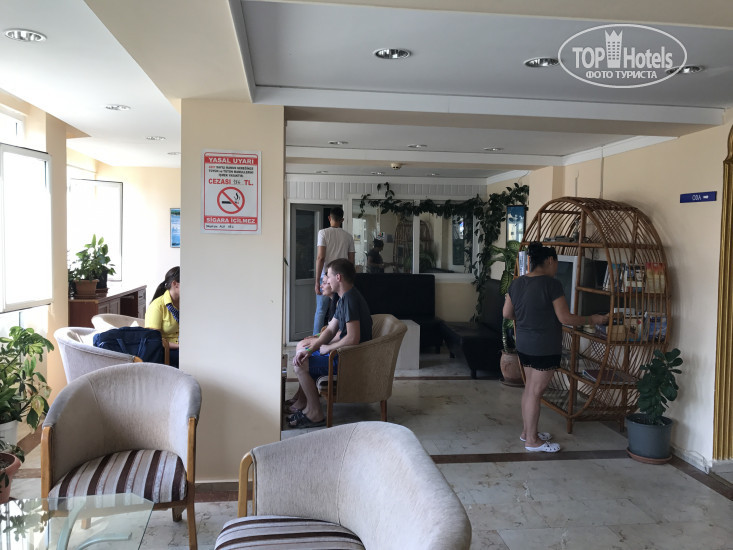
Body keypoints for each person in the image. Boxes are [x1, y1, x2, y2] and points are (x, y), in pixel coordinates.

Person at [503, 243, 608, 453]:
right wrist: (593, 319)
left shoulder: (517, 283)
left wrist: (526, 319)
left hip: (524, 344)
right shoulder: (552, 284)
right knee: (535, 392)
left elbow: (507, 313)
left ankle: (527, 432)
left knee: (530, 389)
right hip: (544, 346)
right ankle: (532, 440)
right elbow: (565, 318)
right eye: (556, 263)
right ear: (550, 261)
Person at [289, 258, 372, 428]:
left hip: (349, 360)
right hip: (343, 355)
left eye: (328, 275)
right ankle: (309, 408)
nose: (326, 279)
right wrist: (310, 350)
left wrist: (328, 348)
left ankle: (315, 414)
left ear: (338, 277)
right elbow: (330, 330)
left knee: (300, 366)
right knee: (303, 357)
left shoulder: (350, 299)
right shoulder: (344, 298)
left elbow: (353, 338)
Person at [284, 276, 340, 414]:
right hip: (333, 348)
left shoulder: (343, 302)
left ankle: (306, 402)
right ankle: (301, 396)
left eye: (325, 282)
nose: (321, 285)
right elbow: (330, 329)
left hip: (338, 354)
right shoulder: (335, 303)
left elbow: (342, 334)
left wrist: (320, 342)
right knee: (302, 348)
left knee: (302, 357)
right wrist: (317, 337)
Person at [313, 207, 355, 335]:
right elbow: (351, 261)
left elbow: (320, 258)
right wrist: (350, 281)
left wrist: (317, 281)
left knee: (321, 311)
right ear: (342, 220)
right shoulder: (348, 237)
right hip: (342, 279)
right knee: (341, 309)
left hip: (326, 277)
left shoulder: (323, 233)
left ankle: (316, 341)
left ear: (329, 218)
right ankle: (339, 338)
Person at [145, 266, 181, 367]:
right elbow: (153, 340)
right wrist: (179, 346)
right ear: (175, 284)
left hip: (187, 346)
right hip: (167, 350)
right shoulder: (157, 306)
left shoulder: (187, 303)